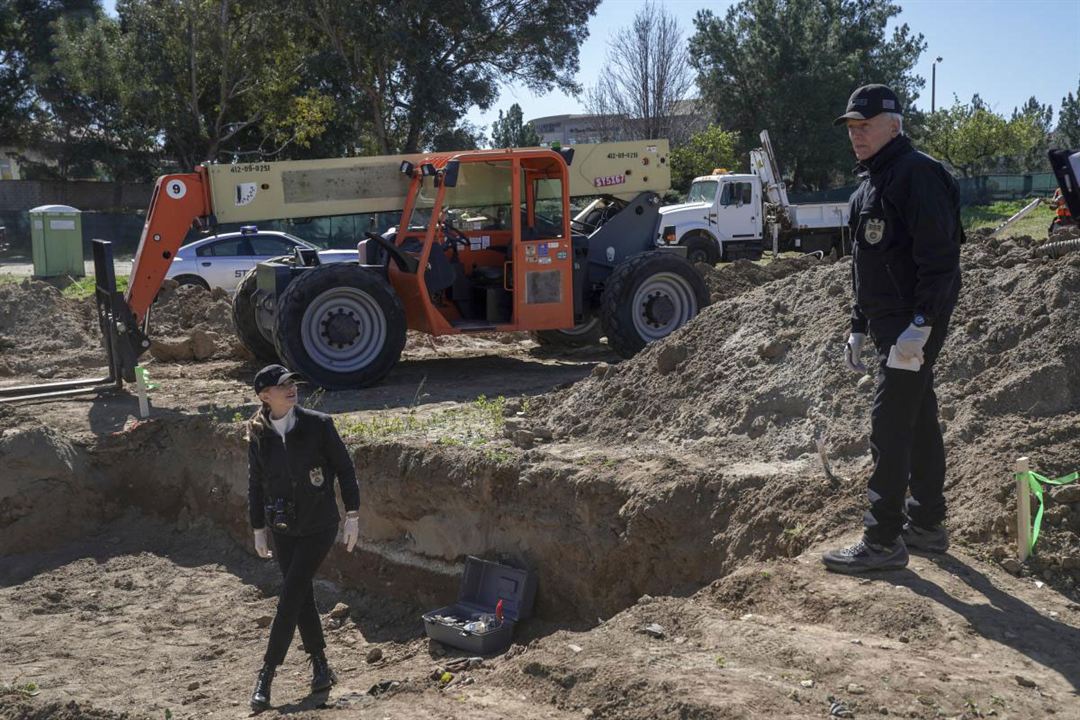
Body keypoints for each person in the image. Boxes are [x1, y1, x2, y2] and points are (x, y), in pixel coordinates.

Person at [823, 84, 962, 574]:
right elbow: (867, 265)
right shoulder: (870, 186)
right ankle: (925, 525)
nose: (856, 135)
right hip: (888, 326)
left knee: (889, 422)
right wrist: (858, 325)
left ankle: (882, 539)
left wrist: (921, 326)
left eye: (865, 125)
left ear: (894, 125)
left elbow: (940, 261)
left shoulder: (917, 176)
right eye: (851, 127)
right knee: (918, 418)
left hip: (913, 325)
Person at [247, 364, 361, 711]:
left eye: (293, 383)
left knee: (291, 593)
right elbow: (255, 484)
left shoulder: (318, 425)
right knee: (302, 595)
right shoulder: (258, 435)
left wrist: (352, 514)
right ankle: (321, 665)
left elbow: (344, 468)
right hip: (283, 528)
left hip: (319, 524)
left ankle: (267, 672)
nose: (292, 389)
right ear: (266, 395)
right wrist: (258, 528)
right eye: (283, 386)